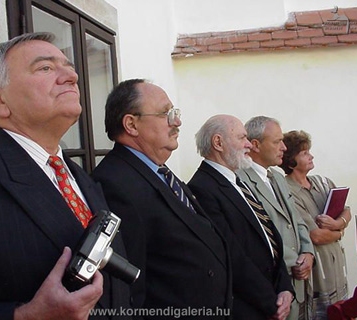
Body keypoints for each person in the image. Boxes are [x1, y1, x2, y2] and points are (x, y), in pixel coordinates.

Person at [0, 32, 132, 319]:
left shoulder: (82, 179)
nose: (71, 77)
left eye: (69, 67)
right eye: (45, 68)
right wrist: (26, 316)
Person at [92, 79, 286, 319]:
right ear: (131, 124)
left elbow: (215, 244)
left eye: (174, 113)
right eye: (165, 114)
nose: (177, 122)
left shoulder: (161, 172)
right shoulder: (115, 183)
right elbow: (129, 288)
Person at [188, 115, 294, 320]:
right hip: (250, 307)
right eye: (242, 138)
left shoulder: (236, 180)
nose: (248, 145)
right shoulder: (202, 188)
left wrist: (285, 287)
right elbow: (232, 255)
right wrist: (270, 302)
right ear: (218, 142)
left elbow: (269, 235)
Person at [237, 116, 315, 320]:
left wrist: (307, 251)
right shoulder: (239, 180)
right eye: (276, 142)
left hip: (299, 281)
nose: (283, 147)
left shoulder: (278, 177)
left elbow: (297, 220)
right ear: (255, 145)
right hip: (274, 285)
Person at [280, 130, 350, 320]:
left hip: (337, 270)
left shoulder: (322, 182)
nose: (311, 156)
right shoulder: (286, 190)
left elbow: (347, 210)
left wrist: (337, 223)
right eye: (304, 153)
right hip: (319, 274)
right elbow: (316, 236)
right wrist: (340, 232)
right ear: (291, 160)